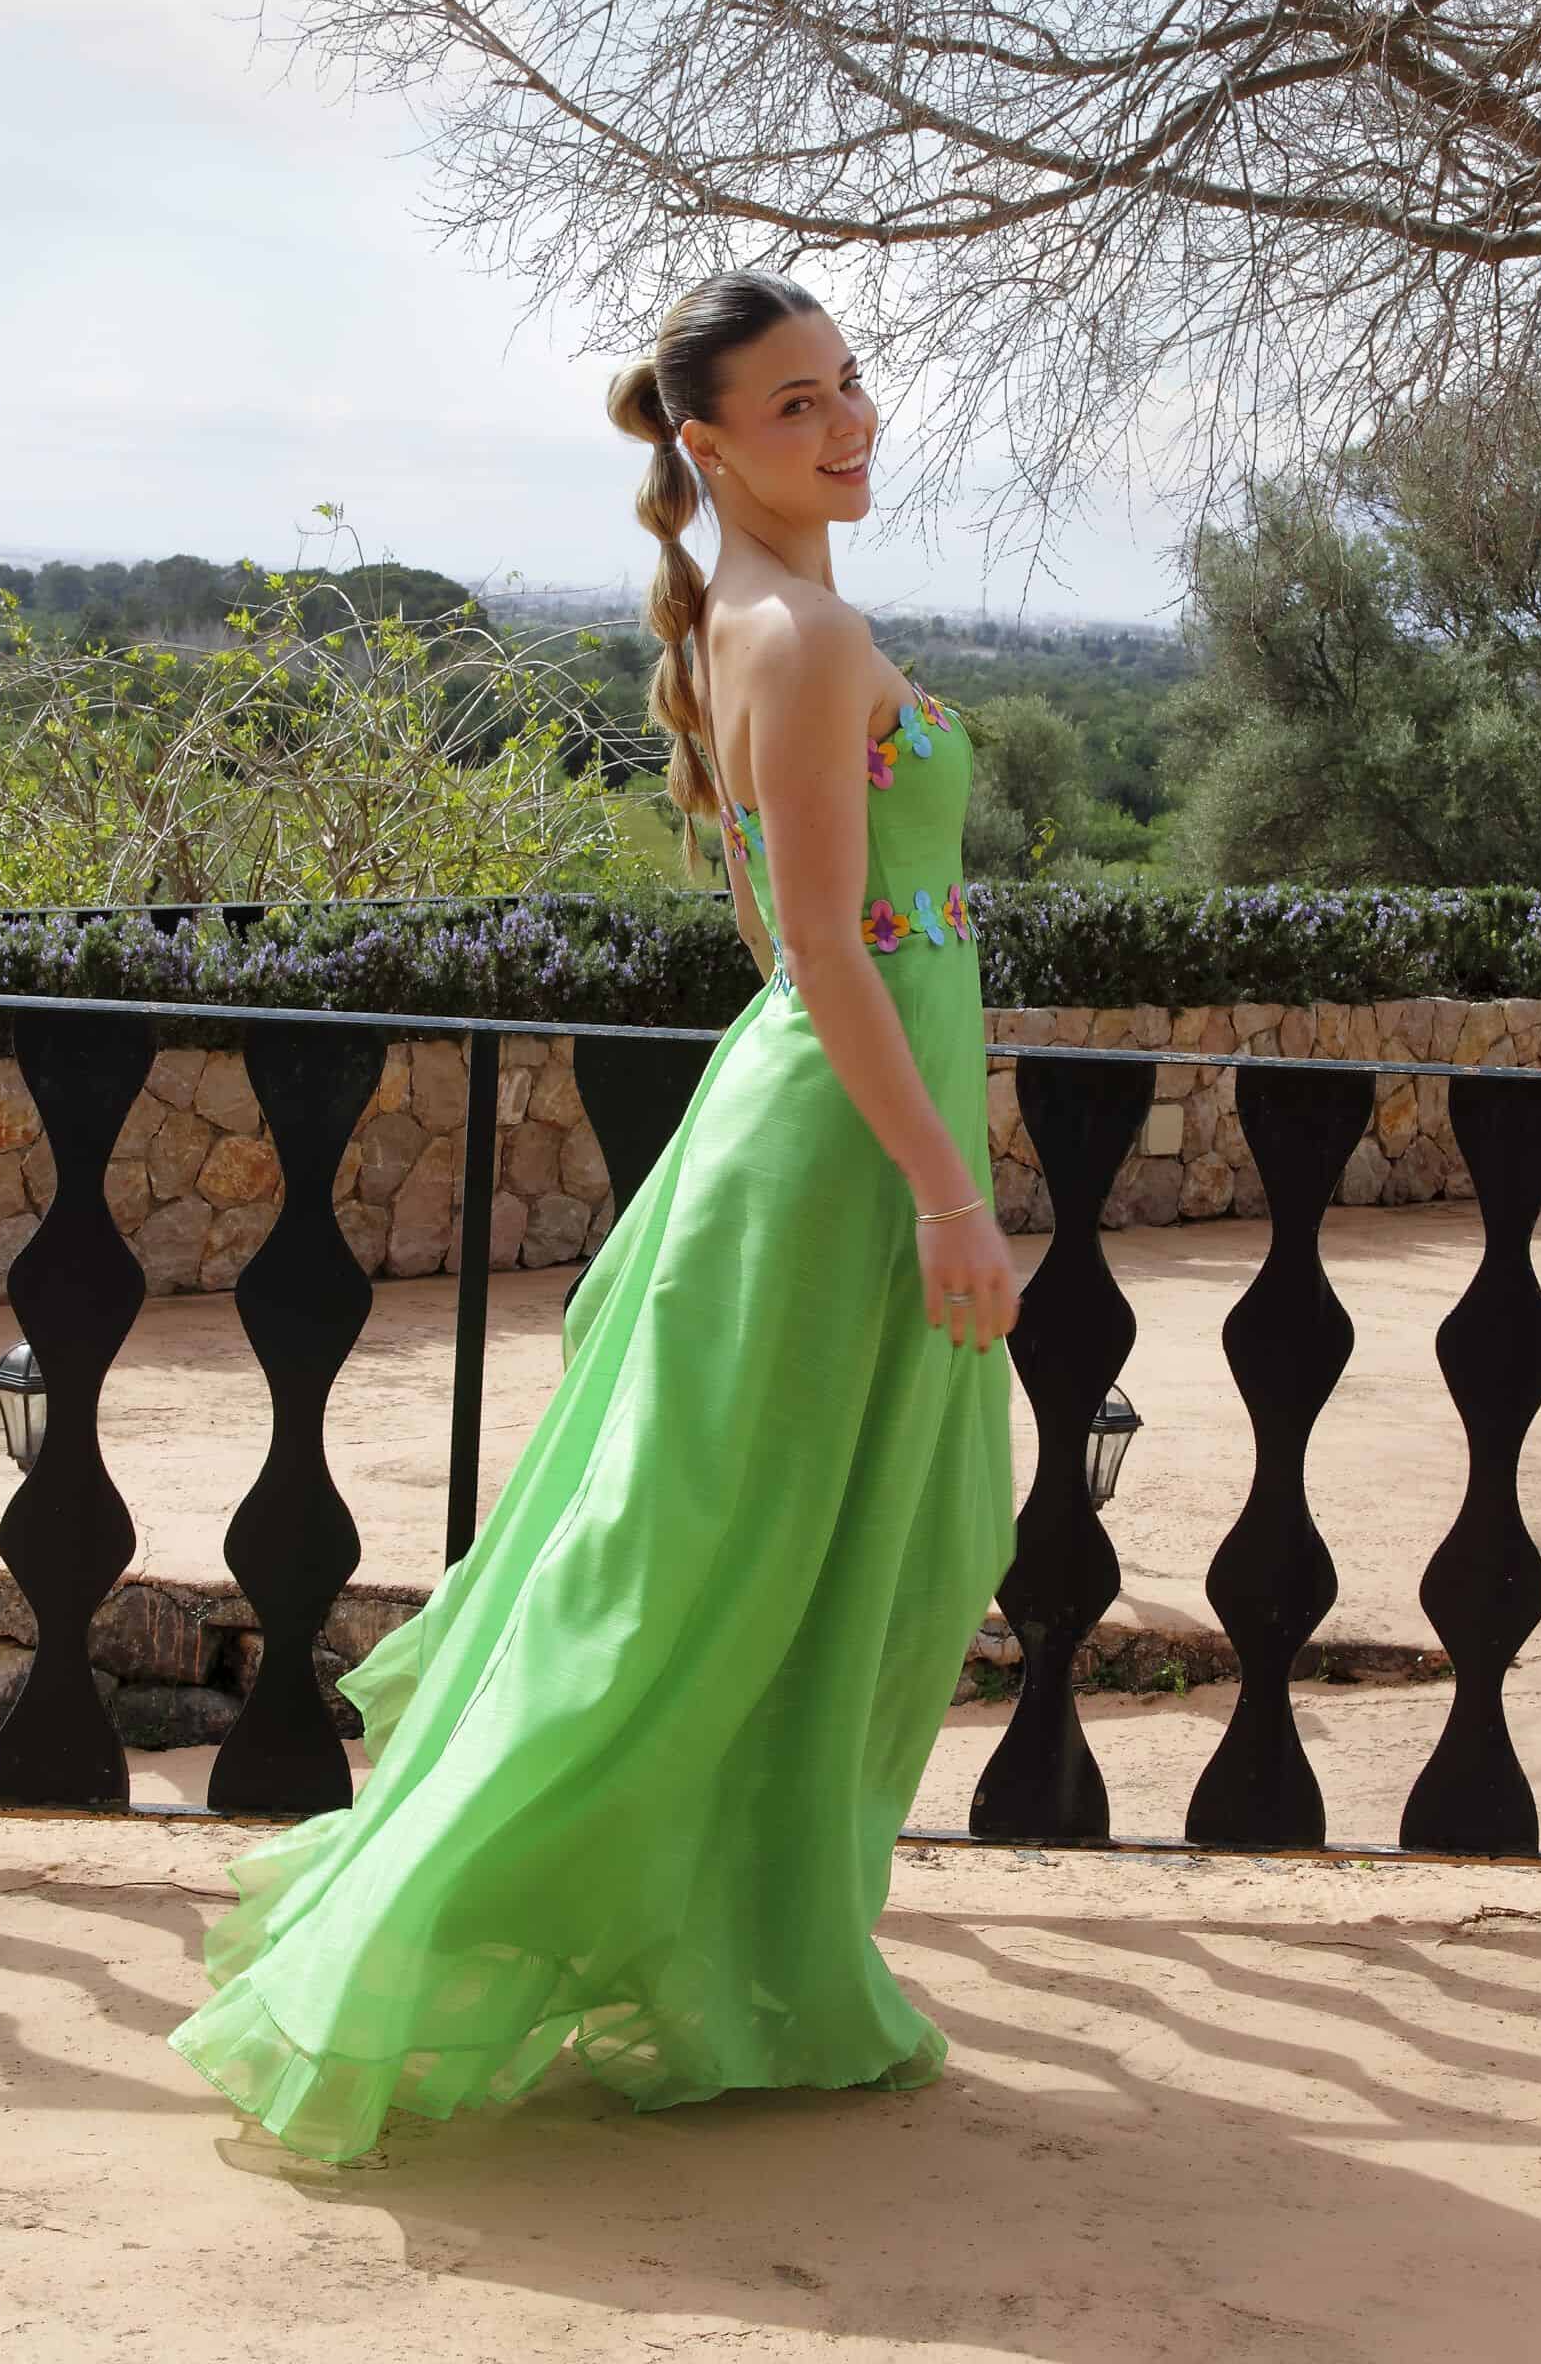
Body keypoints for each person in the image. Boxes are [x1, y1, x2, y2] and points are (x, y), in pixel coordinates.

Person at [164, 266, 1021, 2165]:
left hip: (821, 1142)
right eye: (797, 404)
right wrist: (950, 1192)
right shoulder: (801, 633)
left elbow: (786, 936)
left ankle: (747, 1965)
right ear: (708, 443)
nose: (849, 421)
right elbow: (821, 949)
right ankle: (457, 1951)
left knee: (798, 1562)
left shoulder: (754, 621)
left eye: (849, 384)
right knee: (717, 1578)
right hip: (844, 1167)